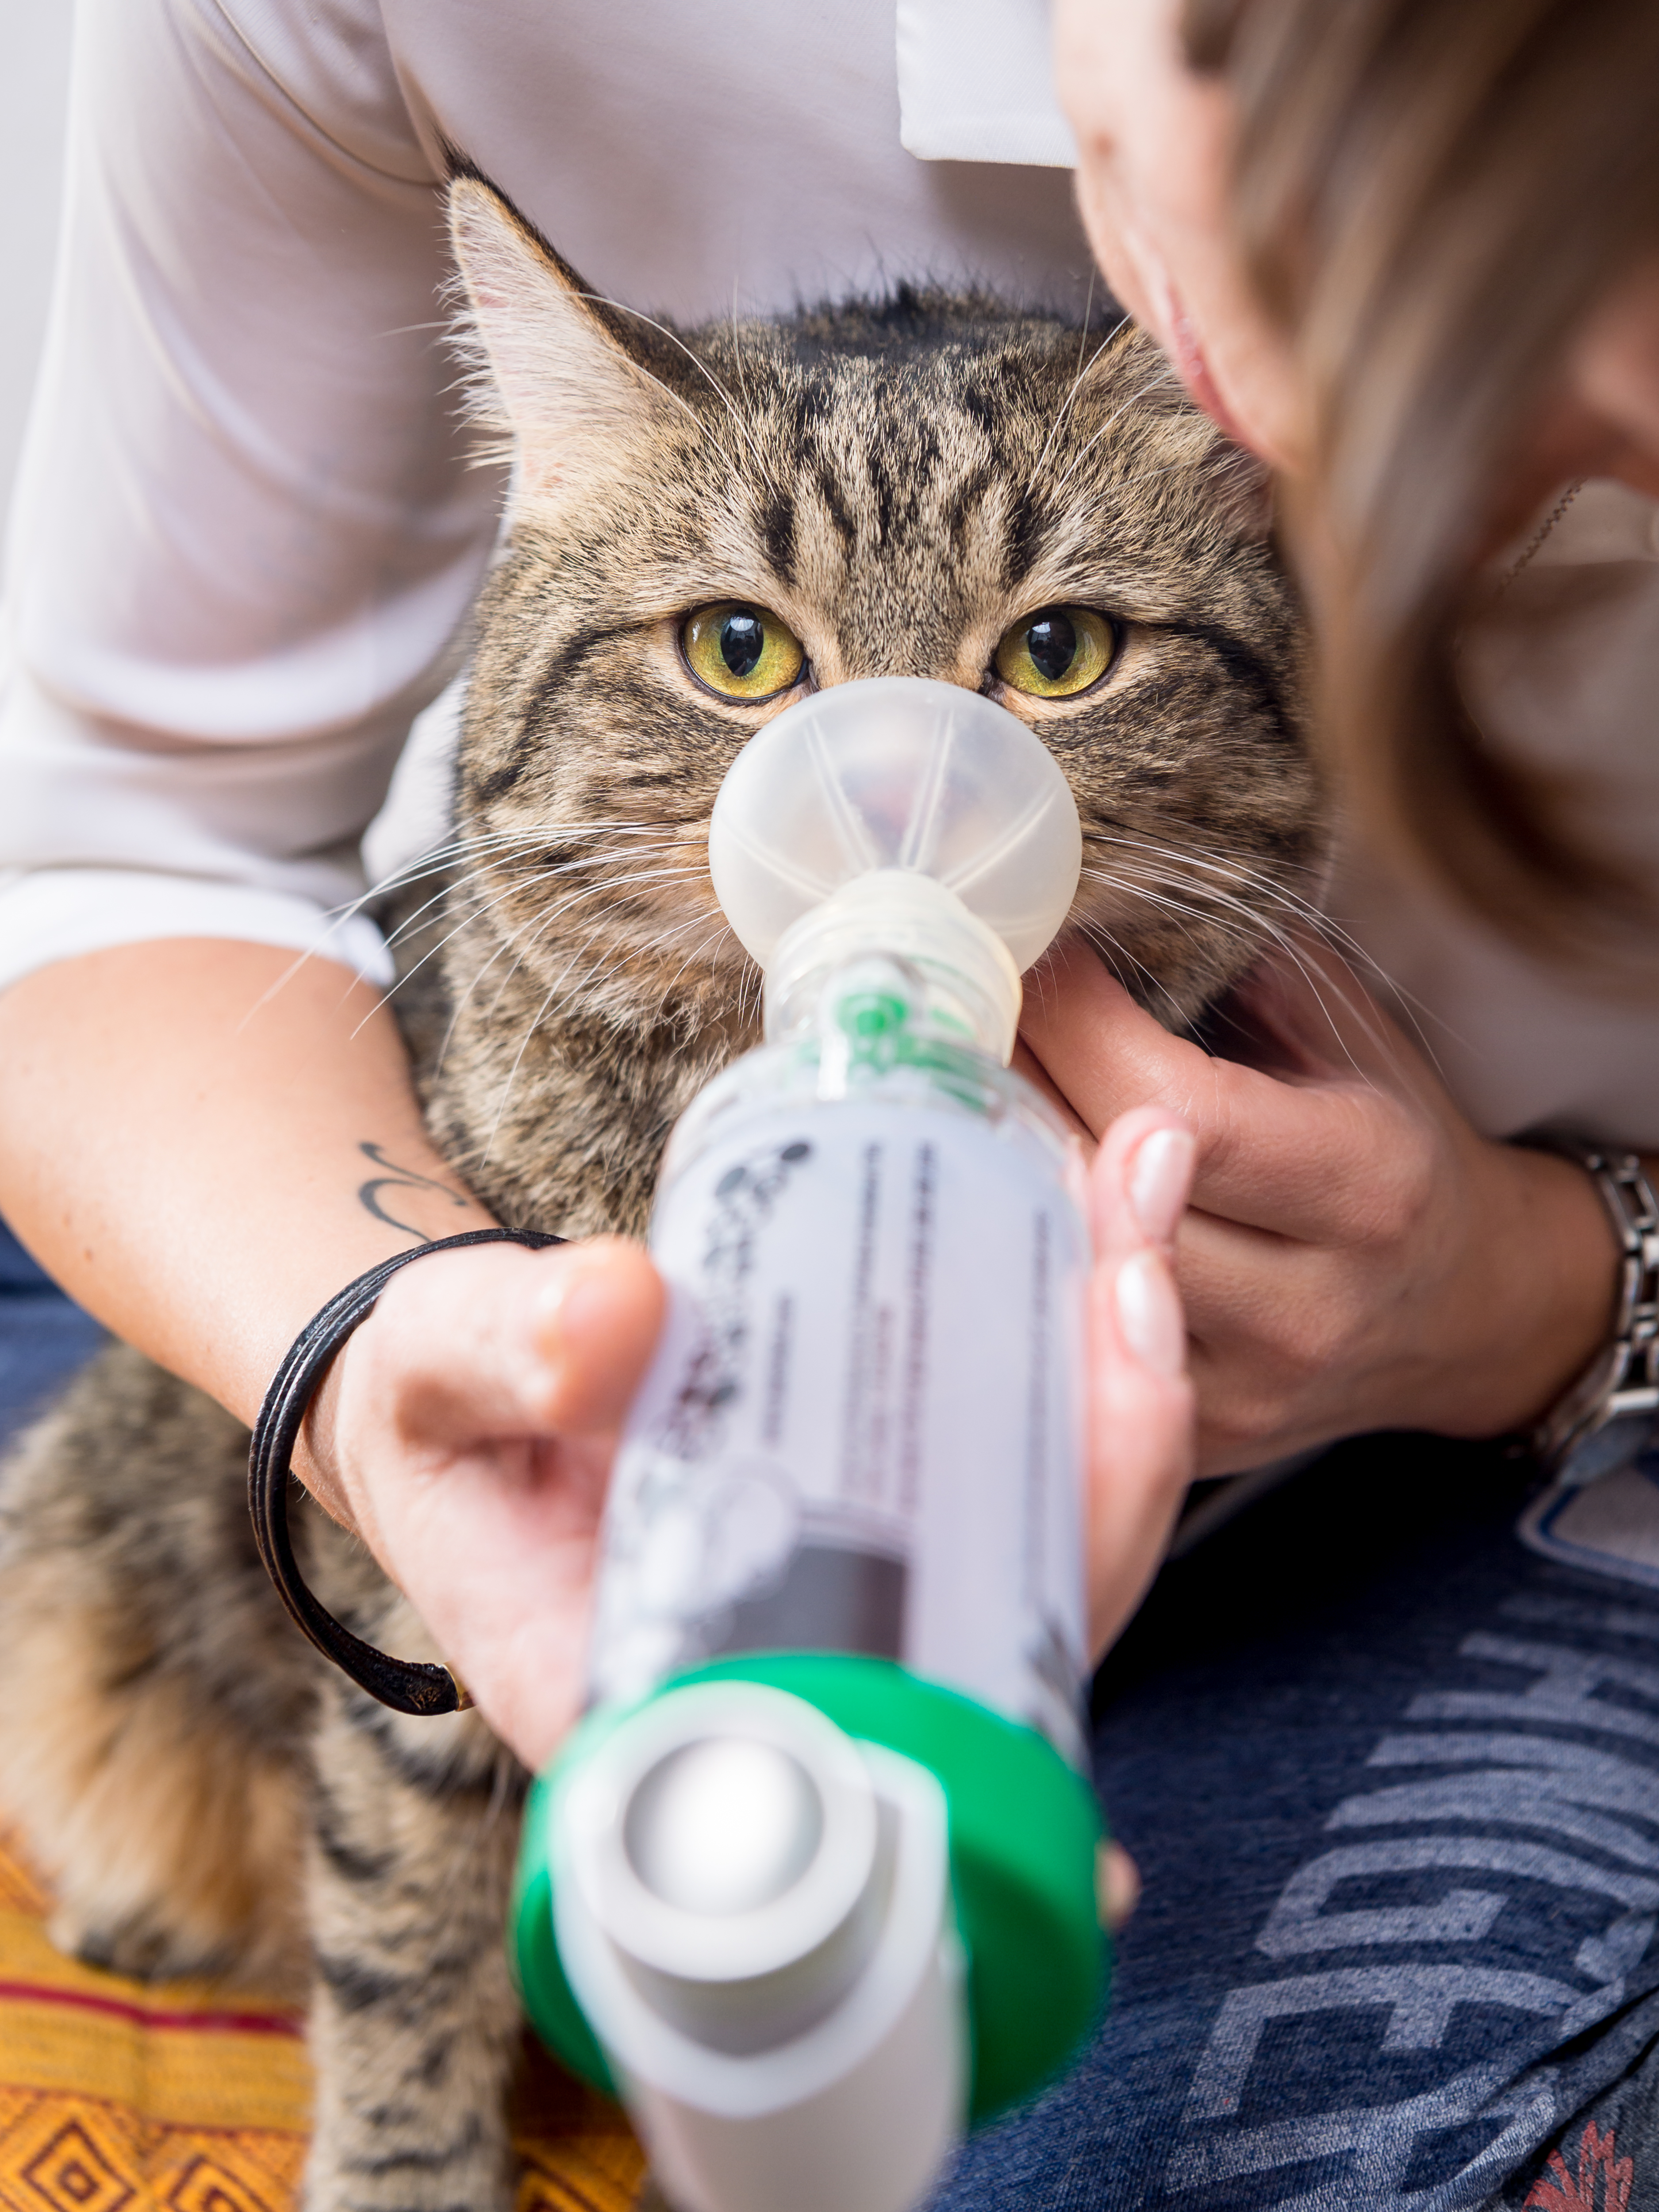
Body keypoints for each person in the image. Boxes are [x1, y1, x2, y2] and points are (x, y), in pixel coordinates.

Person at [1, 0, 1657, 2201]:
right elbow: (117, 843)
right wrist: (374, 1359)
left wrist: (1537, 1289)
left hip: (1455, 1470)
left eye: (1043, 654)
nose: (886, 767)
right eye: (755, 654)